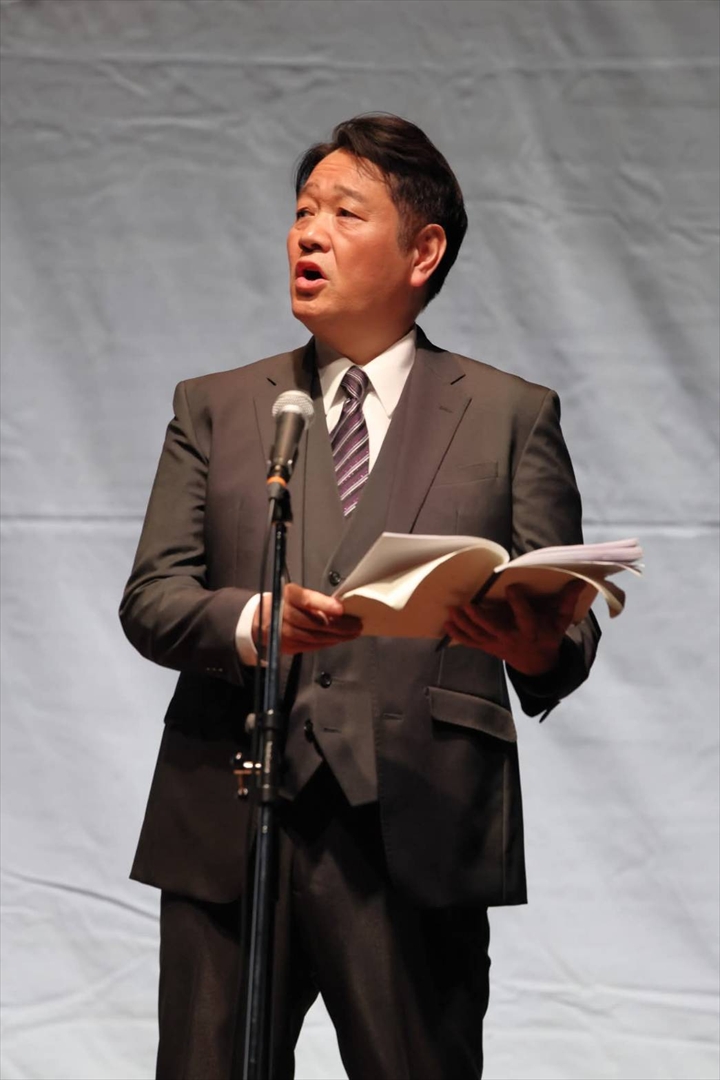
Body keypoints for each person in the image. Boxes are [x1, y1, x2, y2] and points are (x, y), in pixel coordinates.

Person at [120, 113, 600, 1080]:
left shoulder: (509, 414)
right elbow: (152, 598)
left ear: (423, 252)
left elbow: (563, 623)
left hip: (418, 821)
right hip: (229, 820)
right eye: (303, 211)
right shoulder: (218, 405)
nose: (309, 233)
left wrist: (536, 646)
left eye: (345, 213)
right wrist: (253, 621)